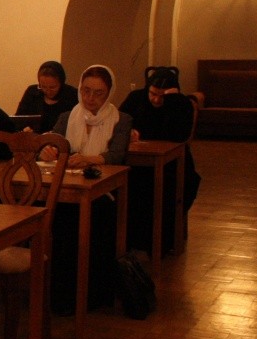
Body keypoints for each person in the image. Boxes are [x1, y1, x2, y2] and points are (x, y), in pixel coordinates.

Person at [44, 64, 133, 314]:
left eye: (98, 93)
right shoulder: (67, 116)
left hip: (102, 192)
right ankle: (58, 295)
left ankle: (90, 294)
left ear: (109, 94)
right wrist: (48, 150)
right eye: (86, 91)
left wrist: (88, 159)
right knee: (57, 216)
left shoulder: (121, 120)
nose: (90, 98)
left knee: (92, 217)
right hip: (68, 188)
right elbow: (55, 143)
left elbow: (116, 155)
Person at [119, 67, 201, 254]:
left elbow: (180, 135)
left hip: (173, 162)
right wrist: (130, 132)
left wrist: (173, 102)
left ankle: (162, 240)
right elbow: (120, 121)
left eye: (162, 96)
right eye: (153, 94)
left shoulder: (182, 104)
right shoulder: (136, 98)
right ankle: (132, 239)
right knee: (132, 184)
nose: (156, 100)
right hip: (139, 161)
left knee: (171, 186)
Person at [15, 60, 79, 133]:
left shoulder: (72, 95)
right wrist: (24, 129)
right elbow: (18, 119)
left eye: (52, 87)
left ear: (61, 83)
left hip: (60, 139)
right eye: (43, 87)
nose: (48, 91)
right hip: (34, 138)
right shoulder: (32, 92)